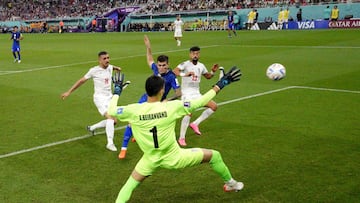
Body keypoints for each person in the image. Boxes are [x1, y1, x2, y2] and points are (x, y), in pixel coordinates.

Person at [108, 67, 243, 203]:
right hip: (175, 157)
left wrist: (117, 91)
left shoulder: (133, 110)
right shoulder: (172, 107)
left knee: (129, 186)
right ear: (162, 91)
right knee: (214, 156)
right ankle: (231, 183)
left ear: (147, 90)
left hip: (149, 159)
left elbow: (111, 110)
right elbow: (200, 102)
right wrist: (221, 84)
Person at [118, 35, 181, 159]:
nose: (161, 67)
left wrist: (168, 100)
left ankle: (140, 136)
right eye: (159, 65)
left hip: (159, 103)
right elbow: (150, 59)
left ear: (168, 65)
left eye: (164, 65)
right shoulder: (156, 69)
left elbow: (179, 93)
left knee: (153, 123)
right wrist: (148, 47)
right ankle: (123, 149)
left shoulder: (172, 77)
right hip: (145, 98)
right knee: (131, 121)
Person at [61, 51, 122, 152]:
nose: (107, 60)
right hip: (100, 98)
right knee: (110, 119)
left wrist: (117, 68)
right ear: (99, 60)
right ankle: (110, 143)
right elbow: (81, 81)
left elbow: (113, 67)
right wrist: (69, 92)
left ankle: (92, 128)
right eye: (104, 58)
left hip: (110, 98)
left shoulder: (110, 67)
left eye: (108, 58)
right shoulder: (94, 71)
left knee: (114, 121)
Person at [173, 46, 220, 146]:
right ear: (190, 54)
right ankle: (181, 138)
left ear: (199, 54)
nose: (195, 55)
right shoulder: (185, 64)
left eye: (197, 53)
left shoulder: (201, 66)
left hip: (197, 94)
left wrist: (213, 71)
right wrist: (184, 74)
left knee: (214, 106)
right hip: (186, 94)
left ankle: (195, 123)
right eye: (193, 53)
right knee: (188, 112)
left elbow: (207, 76)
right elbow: (174, 71)